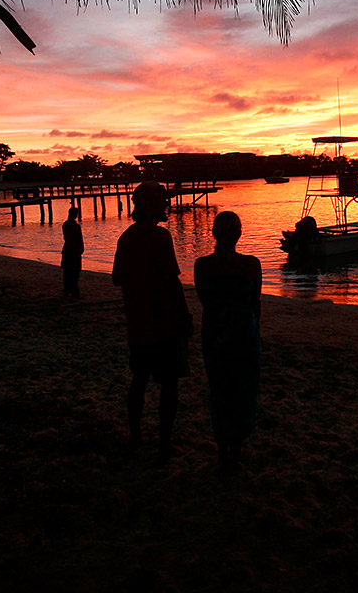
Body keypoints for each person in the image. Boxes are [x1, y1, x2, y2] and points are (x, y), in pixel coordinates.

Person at [112, 181, 193, 460]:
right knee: (169, 383)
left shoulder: (126, 237)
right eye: (161, 201)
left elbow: (116, 278)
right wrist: (184, 316)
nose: (166, 205)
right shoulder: (160, 237)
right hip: (164, 321)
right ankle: (164, 443)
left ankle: (135, 437)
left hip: (138, 321)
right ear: (148, 205)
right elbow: (171, 281)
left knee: (140, 379)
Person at [194, 211, 262, 472]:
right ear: (239, 234)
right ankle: (236, 449)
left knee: (220, 390)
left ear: (213, 233)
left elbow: (205, 300)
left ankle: (223, 449)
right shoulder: (251, 264)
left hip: (214, 333)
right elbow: (255, 302)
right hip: (244, 332)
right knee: (243, 391)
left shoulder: (202, 266)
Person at [61, 206, 83, 298]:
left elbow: (66, 237)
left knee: (67, 270)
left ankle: (67, 289)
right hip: (74, 249)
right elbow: (79, 238)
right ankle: (74, 289)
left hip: (67, 248)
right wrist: (81, 248)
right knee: (75, 271)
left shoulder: (65, 224)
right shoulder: (76, 226)